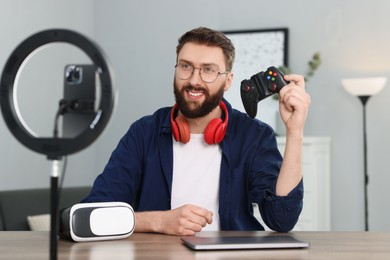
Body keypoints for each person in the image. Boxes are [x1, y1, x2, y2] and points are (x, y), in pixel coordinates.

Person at [81, 27, 311, 236]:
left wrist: (295, 131)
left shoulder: (253, 136)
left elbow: (282, 219)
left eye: (208, 70)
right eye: (185, 66)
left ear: (228, 81)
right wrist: (158, 221)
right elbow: (92, 215)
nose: (193, 80)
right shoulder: (143, 133)